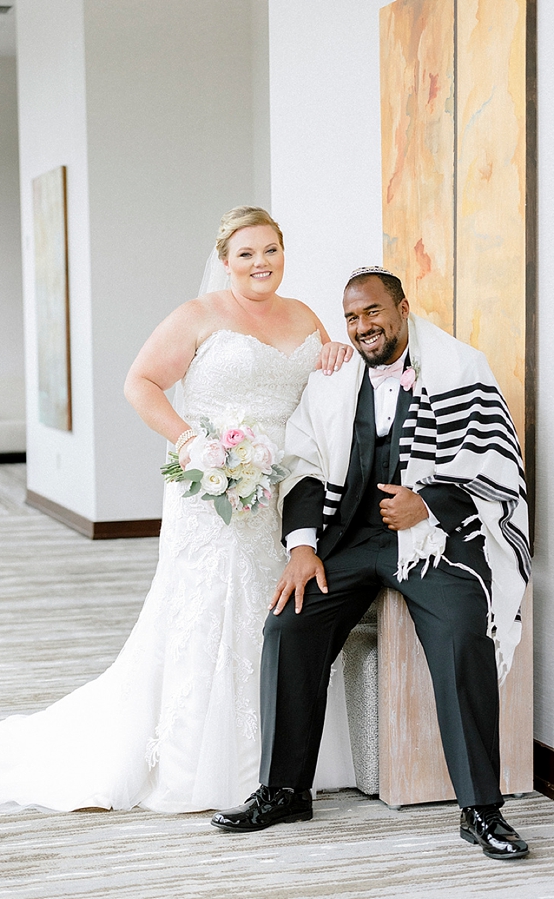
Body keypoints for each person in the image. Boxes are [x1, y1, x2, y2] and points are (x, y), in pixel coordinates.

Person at [0, 206, 356, 813]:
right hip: (215, 484)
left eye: (270, 250)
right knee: (216, 605)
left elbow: (320, 394)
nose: (259, 263)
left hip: (287, 486)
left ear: (283, 253)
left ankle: (286, 756)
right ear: (225, 261)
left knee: (273, 604)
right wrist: (195, 446)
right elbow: (140, 382)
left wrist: (333, 358)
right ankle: (209, 761)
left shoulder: (304, 316)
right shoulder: (198, 316)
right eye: (245, 253)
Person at [211, 266, 531, 860]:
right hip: (351, 537)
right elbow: (304, 464)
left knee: (464, 635)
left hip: (431, 540)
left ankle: (482, 809)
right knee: (288, 623)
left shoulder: (462, 367)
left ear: (403, 308)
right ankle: (284, 789)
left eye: (373, 312)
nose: (363, 327)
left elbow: (496, 462)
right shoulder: (332, 380)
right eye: (352, 317)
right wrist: (303, 546)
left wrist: (428, 502)